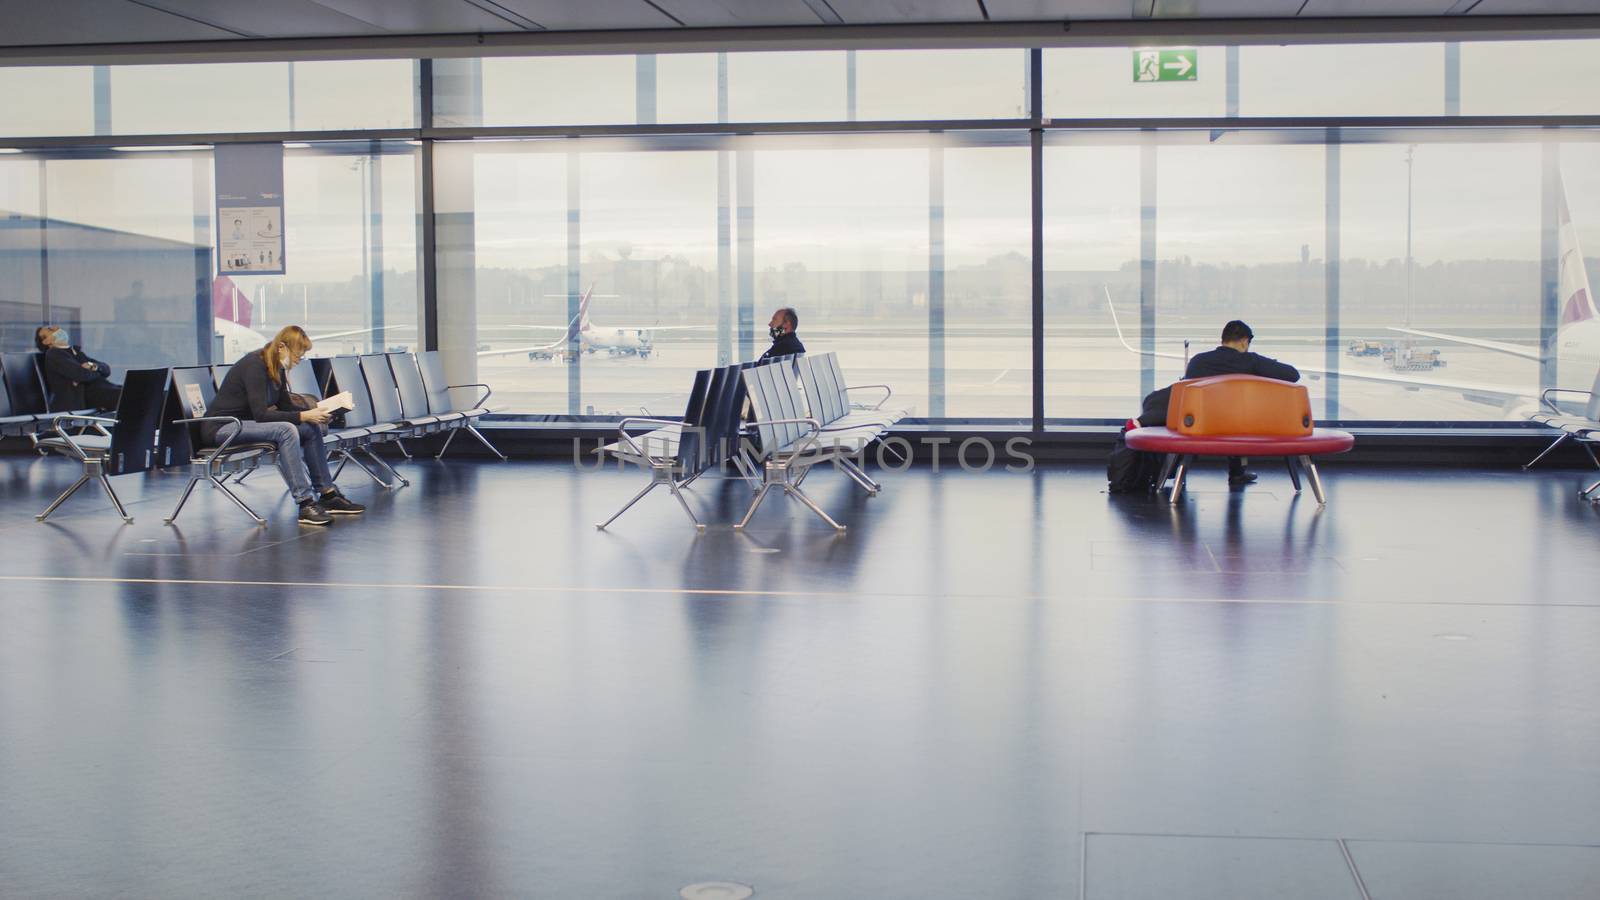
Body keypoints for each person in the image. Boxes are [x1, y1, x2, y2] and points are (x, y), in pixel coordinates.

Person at [204, 326, 364, 526]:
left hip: (246, 425)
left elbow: (286, 406)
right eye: (298, 354)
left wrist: (317, 415)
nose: (299, 360)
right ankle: (305, 502)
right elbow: (261, 414)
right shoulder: (254, 365)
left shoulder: (276, 368)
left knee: (310, 427)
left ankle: (327, 494)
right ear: (281, 347)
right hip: (224, 427)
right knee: (286, 429)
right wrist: (304, 414)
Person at [1182, 319, 1301, 487]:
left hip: (1200, 425)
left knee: (1230, 411)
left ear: (1223, 340)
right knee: (1238, 413)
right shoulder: (1250, 361)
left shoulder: (1198, 361)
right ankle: (1237, 473)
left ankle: (1182, 472)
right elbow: (1292, 375)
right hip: (1240, 425)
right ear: (1245, 341)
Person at [35, 325, 122, 411]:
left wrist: (93, 367)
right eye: (50, 329)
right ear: (46, 341)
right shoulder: (54, 353)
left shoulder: (76, 352)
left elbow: (106, 370)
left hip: (104, 389)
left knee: (130, 390)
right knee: (126, 397)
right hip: (84, 398)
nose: (56, 327)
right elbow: (82, 375)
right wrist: (95, 370)